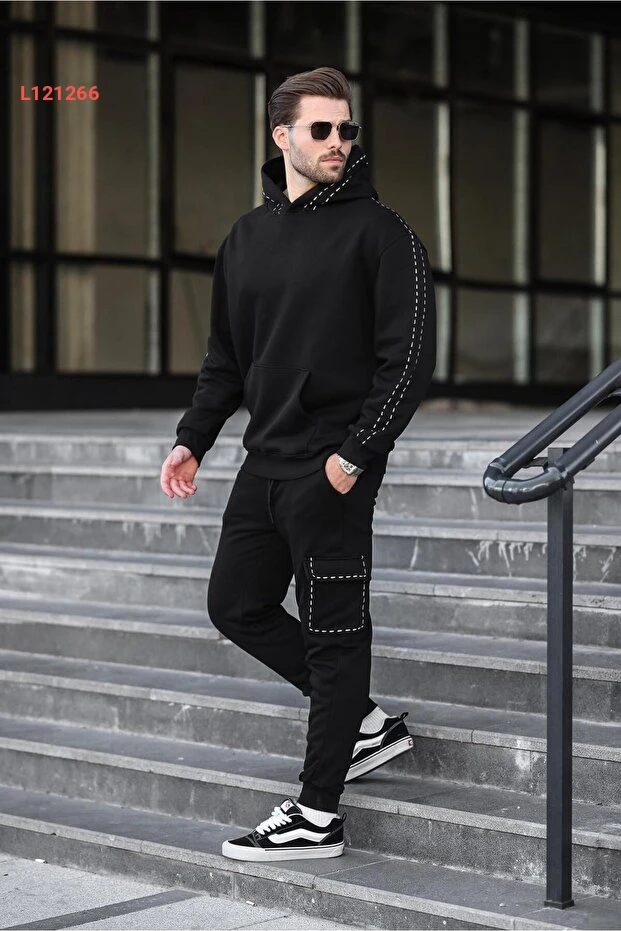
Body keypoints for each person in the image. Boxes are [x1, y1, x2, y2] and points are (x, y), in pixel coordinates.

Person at [160, 66, 436, 862]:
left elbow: (408, 361)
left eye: (347, 129)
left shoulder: (382, 233)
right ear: (281, 136)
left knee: (333, 637)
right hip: (264, 463)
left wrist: (352, 459)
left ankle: (318, 815)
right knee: (235, 603)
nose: (338, 141)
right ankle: (363, 723)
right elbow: (226, 357)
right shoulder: (246, 238)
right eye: (322, 129)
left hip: (332, 469)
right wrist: (194, 437)